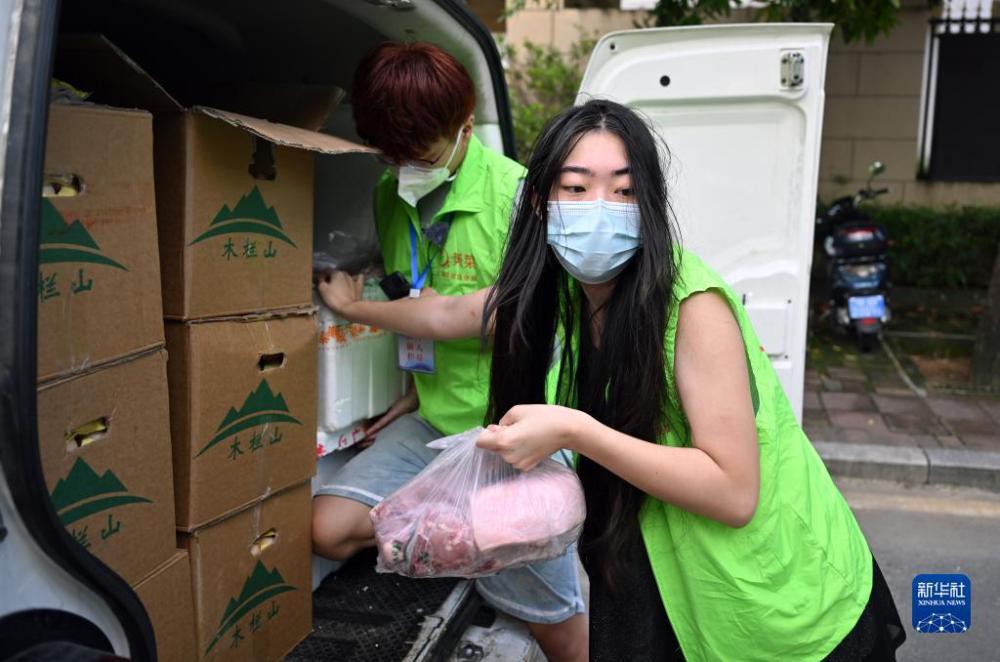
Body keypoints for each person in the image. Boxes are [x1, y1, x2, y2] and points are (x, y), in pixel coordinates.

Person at [317, 99, 907, 661]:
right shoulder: (567, 294)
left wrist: (575, 431)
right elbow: (453, 313)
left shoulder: (692, 307)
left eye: (624, 191)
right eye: (576, 188)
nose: (600, 208)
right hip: (661, 579)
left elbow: (733, 493)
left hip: (772, 603)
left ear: (650, 204)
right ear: (540, 200)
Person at [311, 42, 588, 661]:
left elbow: (475, 317)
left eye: (423, 152)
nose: (408, 165)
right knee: (328, 529)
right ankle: (464, 534)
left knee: (560, 632)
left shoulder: (519, 198)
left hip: (513, 431)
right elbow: (415, 294)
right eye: (394, 154)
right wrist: (413, 389)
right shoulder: (391, 195)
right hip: (435, 422)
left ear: (467, 124)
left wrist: (353, 308)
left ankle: (484, 536)